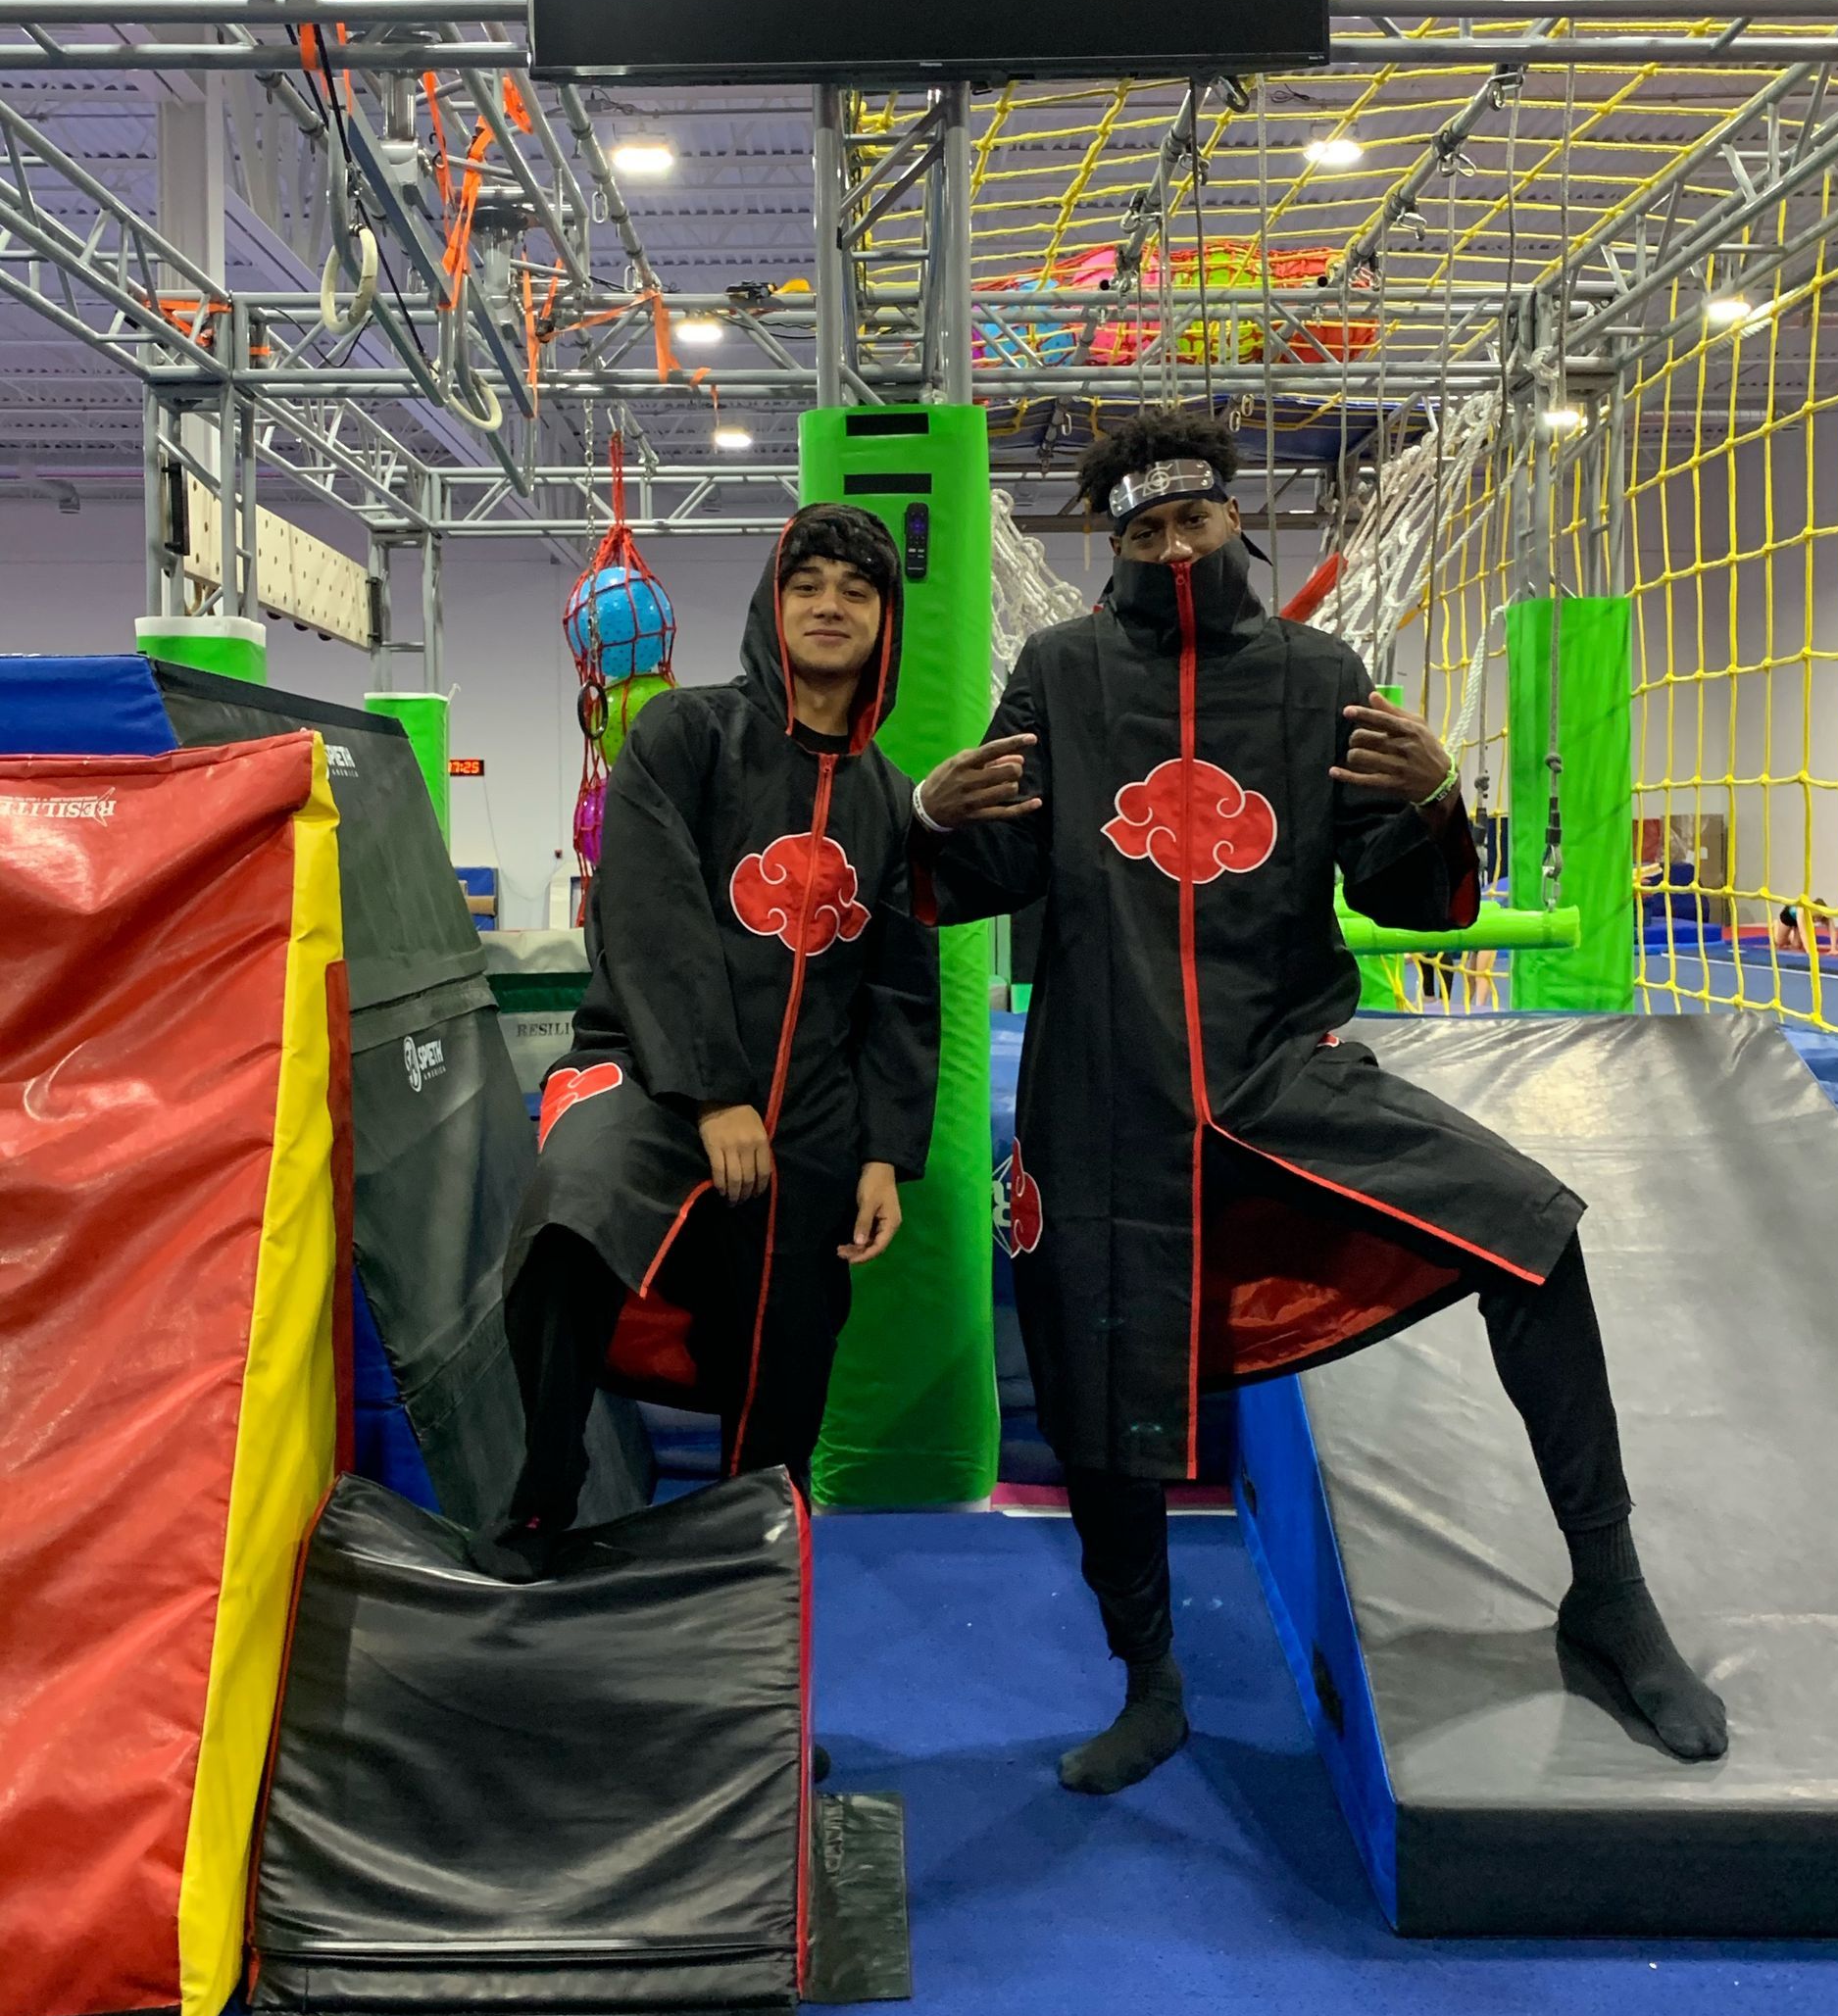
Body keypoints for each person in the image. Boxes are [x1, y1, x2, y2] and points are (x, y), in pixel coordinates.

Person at [913, 408, 1727, 1795]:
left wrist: (1432, 809)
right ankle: (1151, 1681)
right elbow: (985, 882)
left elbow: (1403, 895)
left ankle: (1607, 1588)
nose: (1174, 546)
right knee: (1098, 1390)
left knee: (1534, 1229)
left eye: (1195, 521)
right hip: (1101, 1097)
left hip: (1281, 1073)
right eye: (1145, 531)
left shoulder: (1316, 670)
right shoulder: (1058, 670)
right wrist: (933, 816)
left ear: (1236, 520)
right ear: (1114, 546)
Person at [495, 505, 940, 1571]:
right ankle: (544, 1498)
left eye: (858, 589)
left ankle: (748, 1588)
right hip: (651, 1070)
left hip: (816, 1116)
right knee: (572, 1216)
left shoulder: (886, 799)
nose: (831, 604)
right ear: (770, 605)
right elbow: (649, 916)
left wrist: (883, 1150)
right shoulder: (686, 733)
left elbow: (898, 987)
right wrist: (711, 1093)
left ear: (886, 621)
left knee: (787, 1360)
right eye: (808, 584)